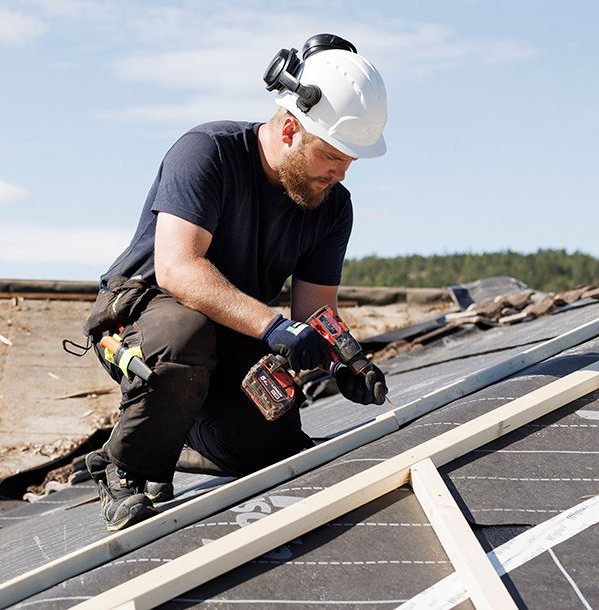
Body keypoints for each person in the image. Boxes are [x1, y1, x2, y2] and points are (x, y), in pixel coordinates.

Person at [83, 34, 390, 531]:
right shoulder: (207, 153)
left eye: (351, 160)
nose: (340, 172)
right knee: (184, 336)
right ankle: (124, 470)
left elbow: (313, 310)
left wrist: (344, 358)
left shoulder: (331, 204)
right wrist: (272, 328)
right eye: (332, 155)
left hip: (235, 328)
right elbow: (178, 269)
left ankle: (175, 437)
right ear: (290, 128)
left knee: (273, 446)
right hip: (145, 321)